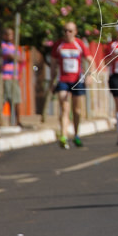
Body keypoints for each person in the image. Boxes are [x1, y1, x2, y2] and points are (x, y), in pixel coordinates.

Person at [49, 21, 90, 149]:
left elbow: (90, 60)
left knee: (77, 110)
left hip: (77, 80)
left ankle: (76, 134)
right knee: (64, 107)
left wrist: (89, 75)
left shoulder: (79, 44)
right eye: (65, 30)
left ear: (75, 32)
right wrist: (52, 81)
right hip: (63, 80)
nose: (67, 33)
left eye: (70, 31)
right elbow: (53, 64)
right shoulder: (59, 45)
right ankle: (63, 136)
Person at [0, 28, 23, 127]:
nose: (9, 36)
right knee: (2, 100)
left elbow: (21, 59)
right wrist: (14, 57)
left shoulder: (15, 47)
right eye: (7, 34)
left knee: (16, 100)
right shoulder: (0, 47)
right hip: (4, 77)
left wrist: (15, 58)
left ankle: (17, 121)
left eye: (11, 34)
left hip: (14, 77)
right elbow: (8, 56)